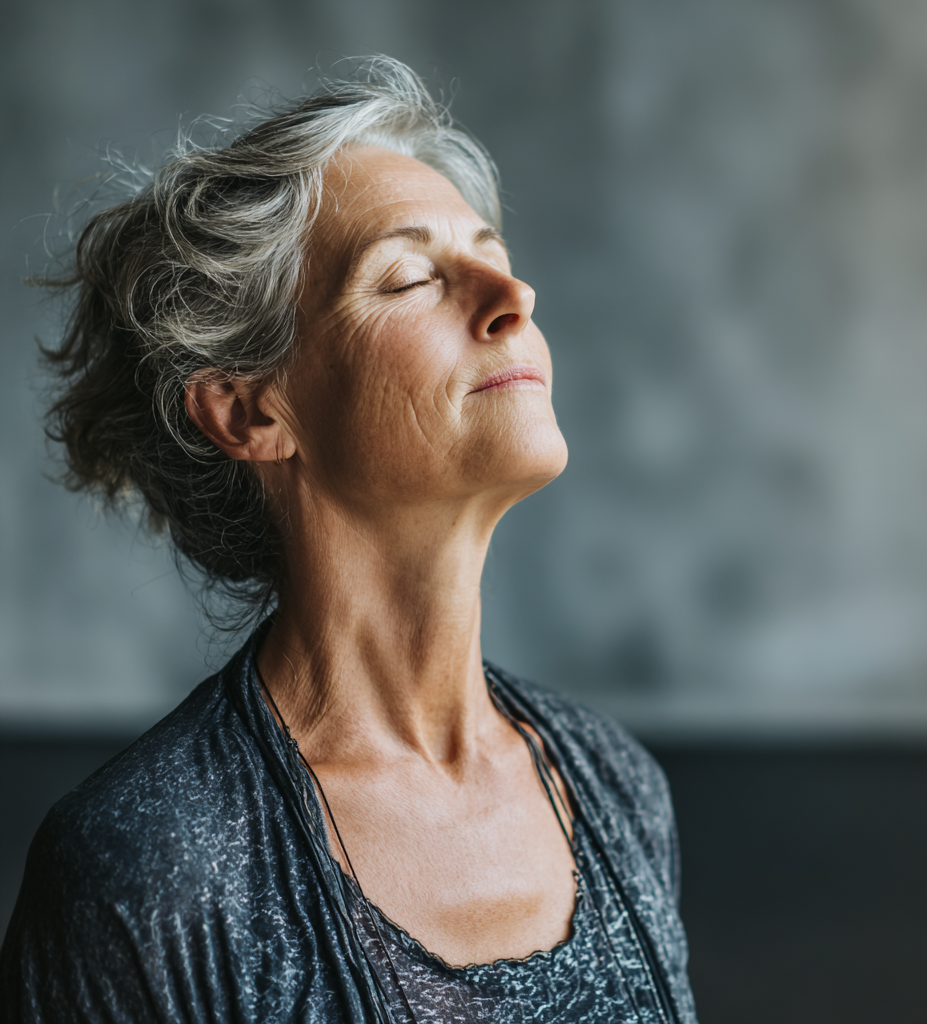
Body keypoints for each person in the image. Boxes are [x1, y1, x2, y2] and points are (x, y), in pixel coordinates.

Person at [0, 59, 698, 1023]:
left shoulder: (616, 786)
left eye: (494, 253)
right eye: (410, 277)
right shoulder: (147, 872)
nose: (514, 296)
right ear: (248, 411)